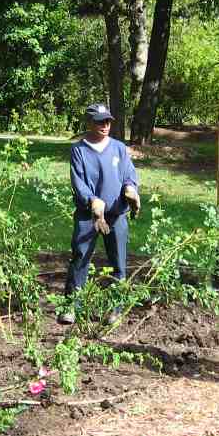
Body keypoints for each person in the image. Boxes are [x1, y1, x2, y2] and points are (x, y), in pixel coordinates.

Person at [59, 103, 140, 324]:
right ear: (89, 123)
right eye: (99, 121)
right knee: (80, 257)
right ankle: (71, 306)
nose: (104, 125)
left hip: (116, 215)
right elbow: (78, 182)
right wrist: (92, 201)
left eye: (107, 121)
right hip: (88, 216)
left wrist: (131, 189)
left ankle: (115, 308)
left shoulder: (119, 148)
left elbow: (129, 175)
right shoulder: (79, 150)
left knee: (119, 262)